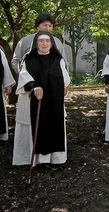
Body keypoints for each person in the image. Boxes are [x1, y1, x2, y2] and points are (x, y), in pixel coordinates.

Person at [12, 31, 70, 170]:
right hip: (32, 100)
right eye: (41, 41)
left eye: (47, 41)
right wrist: (34, 86)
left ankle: (54, 159)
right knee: (34, 126)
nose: (44, 44)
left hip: (53, 101)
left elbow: (64, 79)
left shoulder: (58, 59)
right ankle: (34, 159)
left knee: (54, 125)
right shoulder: (28, 59)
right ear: (36, 43)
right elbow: (24, 77)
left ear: (51, 43)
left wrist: (64, 86)